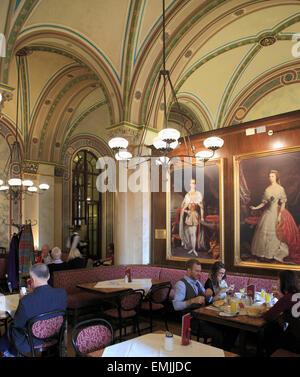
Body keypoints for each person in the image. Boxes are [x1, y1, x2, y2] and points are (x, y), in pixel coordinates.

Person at [0, 263, 66, 356]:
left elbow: (18, 324)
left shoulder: (26, 301)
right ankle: (10, 352)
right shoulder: (61, 294)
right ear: (49, 276)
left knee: (11, 329)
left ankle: (7, 351)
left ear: (32, 279)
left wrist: (24, 299)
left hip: (32, 340)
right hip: (54, 335)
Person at [250, 170, 300, 263]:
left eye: (272, 176)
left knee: (275, 233)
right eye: (269, 176)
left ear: (276, 177)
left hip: (275, 212)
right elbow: (264, 202)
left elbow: (283, 202)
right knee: (262, 233)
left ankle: (273, 254)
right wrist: (255, 207)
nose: (270, 178)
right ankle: (264, 254)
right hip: (267, 213)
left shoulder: (280, 188)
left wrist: (280, 214)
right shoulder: (267, 189)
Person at [172, 258, 223, 348]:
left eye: (200, 271)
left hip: (202, 317)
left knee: (226, 329)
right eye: (197, 271)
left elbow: (209, 299)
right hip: (191, 320)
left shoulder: (198, 283)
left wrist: (208, 295)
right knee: (219, 334)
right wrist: (192, 301)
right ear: (188, 270)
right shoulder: (181, 284)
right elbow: (176, 306)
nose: (200, 274)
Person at [262, 270, 300, 356]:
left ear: (284, 282)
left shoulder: (287, 298)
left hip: (296, 340)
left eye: (278, 279)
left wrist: (262, 312)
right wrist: (281, 299)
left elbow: (269, 316)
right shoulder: (296, 294)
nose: (277, 282)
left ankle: (269, 353)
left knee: (269, 329)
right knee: (275, 327)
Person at [179, 178, 206, 256]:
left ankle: (194, 249)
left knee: (193, 233)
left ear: (195, 184)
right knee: (190, 233)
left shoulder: (198, 194)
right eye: (191, 183)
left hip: (195, 216)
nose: (193, 184)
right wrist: (187, 211)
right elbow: (183, 207)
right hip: (189, 216)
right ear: (189, 184)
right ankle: (191, 248)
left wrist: (202, 217)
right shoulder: (187, 195)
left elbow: (201, 207)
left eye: (194, 183)